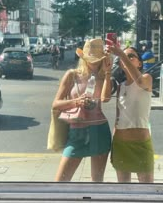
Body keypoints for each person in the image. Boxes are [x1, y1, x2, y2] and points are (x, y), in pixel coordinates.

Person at [52, 38, 112, 182]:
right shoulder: (72, 75)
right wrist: (76, 102)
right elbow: (55, 104)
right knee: (60, 182)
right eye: (90, 58)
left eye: (98, 59)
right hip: (77, 131)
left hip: (99, 130)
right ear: (83, 58)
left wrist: (108, 72)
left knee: (97, 181)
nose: (93, 62)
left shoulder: (104, 77)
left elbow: (105, 99)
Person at [106, 40, 154, 183]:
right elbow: (118, 117)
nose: (127, 58)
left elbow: (138, 82)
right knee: (124, 189)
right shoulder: (120, 86)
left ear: (139, 63)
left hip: (141, 144)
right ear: (121, 64)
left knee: (147, 189)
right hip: (120, 144)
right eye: (124, 57)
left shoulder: (146, 78)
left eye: (131, 56)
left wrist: (121, 53)